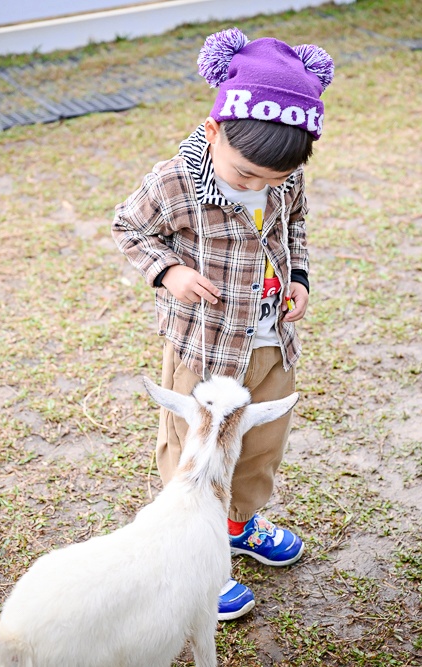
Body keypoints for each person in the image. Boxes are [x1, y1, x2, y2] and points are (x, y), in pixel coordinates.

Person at [112, 28, 334, 618]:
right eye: (245, 175)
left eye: (273, 179)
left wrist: (299, 278)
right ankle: (191, 554)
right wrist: (169, 272)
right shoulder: (175, 181)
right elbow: (127, 227)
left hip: (269, 342)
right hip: (203, 348)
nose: (258, 186)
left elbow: (295, 225)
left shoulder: (283, 176)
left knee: (261, 442)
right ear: (214, 131)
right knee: (194, 450)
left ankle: (237, 524)